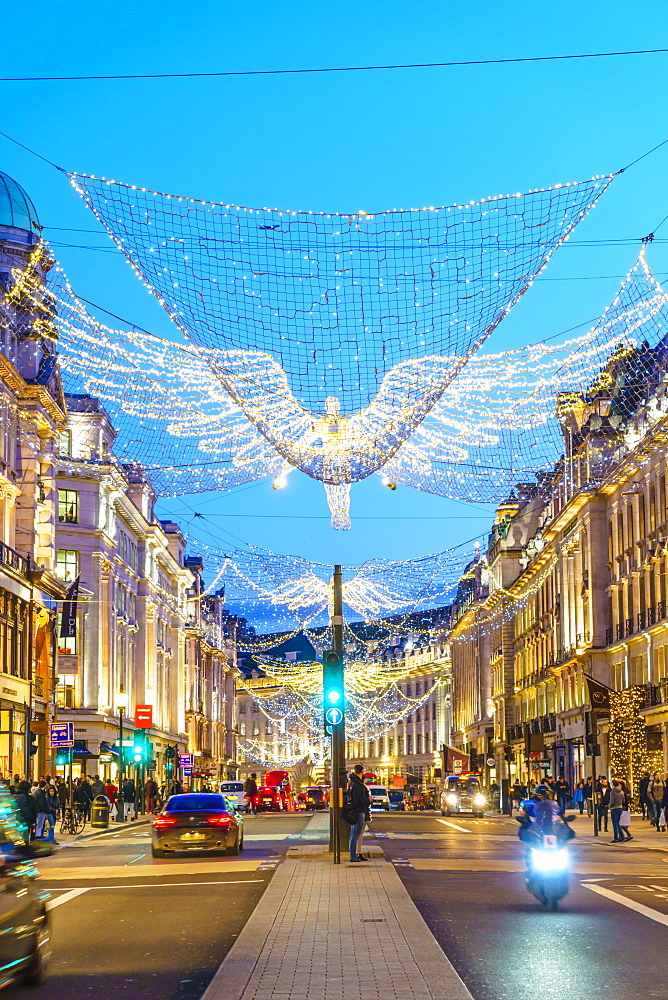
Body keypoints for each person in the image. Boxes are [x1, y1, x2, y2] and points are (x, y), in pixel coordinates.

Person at [347, 764, 371, 862]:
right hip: (358, 811)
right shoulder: (357, 785)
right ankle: (353, 856)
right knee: (355, 834)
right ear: (362, 772)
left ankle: (354, 855)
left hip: (356, 811)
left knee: (355, 834)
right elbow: (358, 800)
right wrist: (368, 800)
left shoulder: (353, 783)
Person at [609, 779, 625, 843]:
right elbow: (623, 800)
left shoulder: (612, 792)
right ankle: (621, 835)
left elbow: (612, 801)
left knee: (615, 823)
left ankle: (616, 837)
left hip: (614, 808)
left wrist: (610, 806)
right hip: (620, 807)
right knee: (618, 822)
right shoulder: (621, 792)